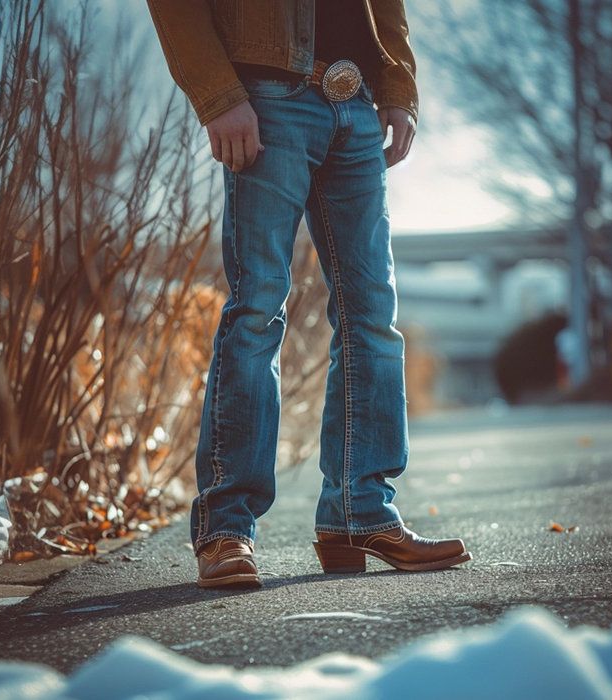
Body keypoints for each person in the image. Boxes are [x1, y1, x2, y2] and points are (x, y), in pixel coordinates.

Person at [145, 0, 471, 588]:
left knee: (374, 316)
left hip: (359, 104)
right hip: (267, 97)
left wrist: (398, 83)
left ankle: (359, 514)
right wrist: (218, 95)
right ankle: (225, 528)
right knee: (258, 307)